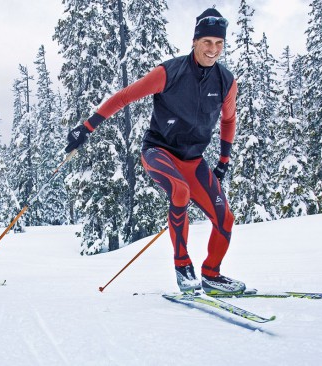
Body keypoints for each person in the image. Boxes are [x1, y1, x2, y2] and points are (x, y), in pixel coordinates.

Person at [65, 8, 250, 295]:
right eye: (207, 42)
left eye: (219, 44)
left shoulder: (226, 81)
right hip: (159, 151)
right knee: (179, 191)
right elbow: (125, 97)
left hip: (194, 160)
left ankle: (212, 275)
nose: (213, 50)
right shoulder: (170, 73)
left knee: (225, 218)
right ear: (194, 41)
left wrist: (224, 160)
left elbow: (229, 120)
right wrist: (86, 128)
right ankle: (182, 266)